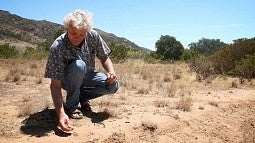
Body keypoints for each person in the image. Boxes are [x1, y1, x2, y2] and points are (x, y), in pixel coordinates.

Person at [44, 9, 119, 132]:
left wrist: (112, 72)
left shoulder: (93, 35)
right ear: (66, 28)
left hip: (88, 77)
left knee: (113, 86)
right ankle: (72, 106)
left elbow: (104, 57)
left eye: (82, 34)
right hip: (67, 80)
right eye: (73, 33)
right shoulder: (58, 46)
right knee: (79, 65)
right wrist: (61, 114)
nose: (77, 37)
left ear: (87, 31)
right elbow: (55, 85)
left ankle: (81, 97)